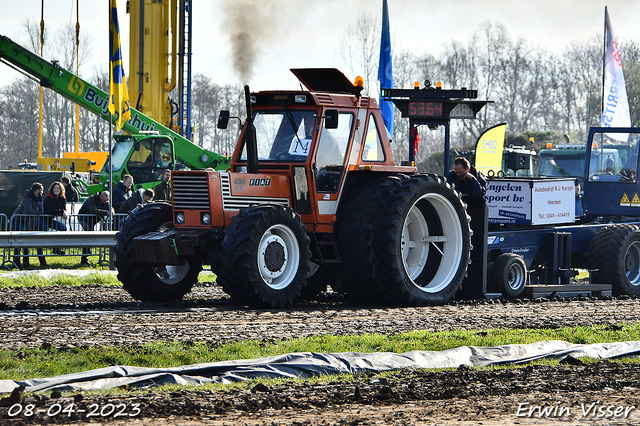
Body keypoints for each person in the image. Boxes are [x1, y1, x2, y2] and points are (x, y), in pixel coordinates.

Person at [10, 182, 46, 267]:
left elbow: (41, 211)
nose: (42, 192)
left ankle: (26, 261)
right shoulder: (28, 198)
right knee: (19, 240)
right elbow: (28, 210)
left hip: (27, 221)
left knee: (25, 239)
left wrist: (33, 212)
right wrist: (35, 212)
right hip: (18, 219)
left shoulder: (40, 198)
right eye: (42, 190)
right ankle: (16, 262)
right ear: (37, 190)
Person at [78, 191, 112, 266]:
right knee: (88, 233)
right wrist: (106, 213)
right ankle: (85, 256)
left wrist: (112, 211)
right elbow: (93, 210)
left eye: (107, 201)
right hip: (83, 218)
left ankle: (86, 254)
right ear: (101, 197)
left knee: (90, 235)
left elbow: (110, 208)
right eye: (104, 201)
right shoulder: (92, 199)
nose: (105, 203)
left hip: (92, 220)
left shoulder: (105, 201)